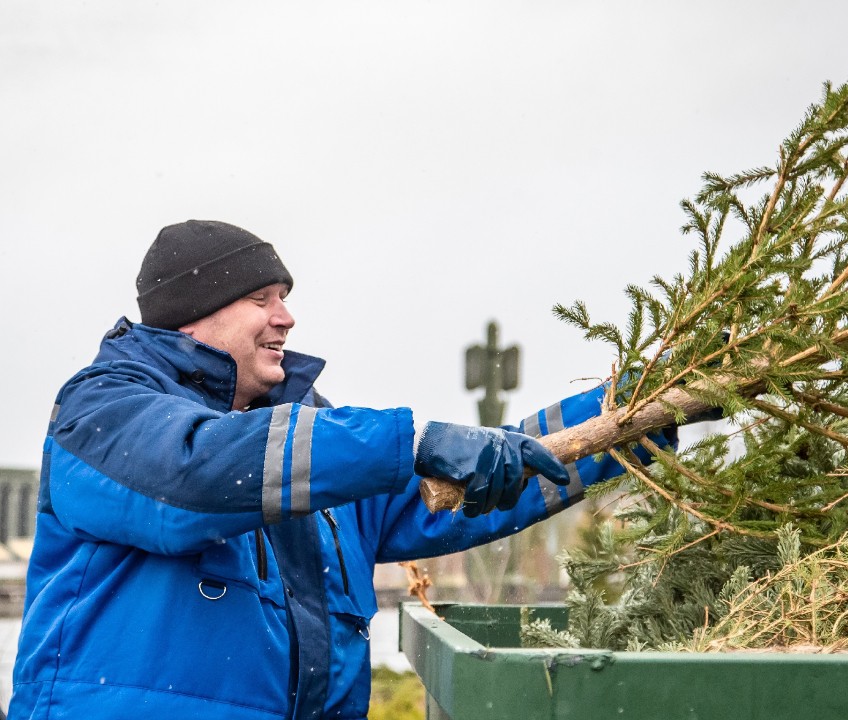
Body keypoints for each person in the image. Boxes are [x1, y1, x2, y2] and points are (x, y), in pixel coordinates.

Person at [9, 220, 676, 720]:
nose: (286, 317)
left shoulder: (310, 442)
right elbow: (199, 470)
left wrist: (637, 413)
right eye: (263, 298)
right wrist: (410, 437)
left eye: (286, 297)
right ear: (195, 313)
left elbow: (451, 485)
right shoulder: (101, 412)